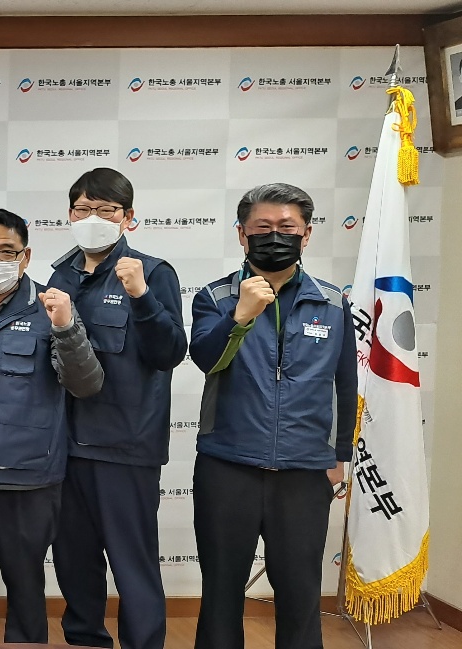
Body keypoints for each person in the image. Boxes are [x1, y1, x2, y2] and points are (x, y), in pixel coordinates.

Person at [189, 183, 355, 649]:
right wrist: (240, 316)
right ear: (242, 235)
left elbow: (345, 382)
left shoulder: (332, 302)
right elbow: (205, 359)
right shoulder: (216, 296)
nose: (275, 236)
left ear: (307, 235)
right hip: (228, 464)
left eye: (287, 227)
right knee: (221, 591)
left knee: (300, 594)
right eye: (263, 228)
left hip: (304, 469)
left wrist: (339, 455)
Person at [0, 209, 104, 644]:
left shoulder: (50, 308)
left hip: (29, 477)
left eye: (6, 252)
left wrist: (66, 327)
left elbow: (86, 384)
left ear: (25, 256)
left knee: (26, 583)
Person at [47, 168, 186, 649]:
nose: (93, 218)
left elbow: (170, 353)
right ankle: (84, 640)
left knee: (133, 564)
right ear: (70, 214)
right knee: (73, 561)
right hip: (65, 447)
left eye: (106, 210)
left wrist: (141, 296)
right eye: (83, 209)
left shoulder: (153, 272)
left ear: (128, 217)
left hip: (125, 447)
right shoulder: (60, 275)